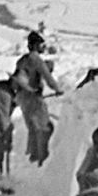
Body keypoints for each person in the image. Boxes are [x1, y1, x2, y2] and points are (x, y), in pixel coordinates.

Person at [11, 30, 63, 166]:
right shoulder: (36, 59)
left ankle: (32, 158)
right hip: (33, 97)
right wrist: (58, 89)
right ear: (36, 45)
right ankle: (42, 159)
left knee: (33, 128)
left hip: (22, 98)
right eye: (41, 44)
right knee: (45, 128)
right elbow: (48, 77)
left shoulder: (21, 60)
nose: (43, 47)